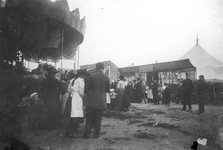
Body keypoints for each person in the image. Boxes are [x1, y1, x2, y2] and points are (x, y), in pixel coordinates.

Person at [83, 62, 110, 139]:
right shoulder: (106, 77)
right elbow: (107, 90)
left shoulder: (91, 76)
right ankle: (96, 134)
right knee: (98, 118)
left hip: (91, 101)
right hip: (101, 101)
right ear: (103, 68)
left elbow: (86, 89)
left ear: (96, 67)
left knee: (89, 118)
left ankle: (87, 134)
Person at [64, 69, 87, 138]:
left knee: (71, 114)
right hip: (77, 98)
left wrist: (73, 92)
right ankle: (72, 132)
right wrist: (84, 96)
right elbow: (81, 91)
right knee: (75, 115)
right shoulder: (80, 81)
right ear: (83, 75)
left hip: (71, 97)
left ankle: (71, 130)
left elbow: (68, 89)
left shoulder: (72, 80)